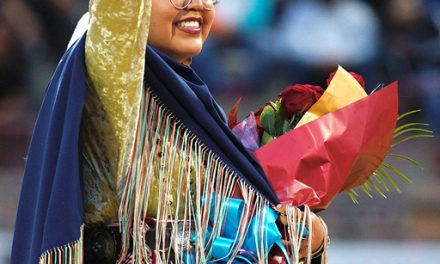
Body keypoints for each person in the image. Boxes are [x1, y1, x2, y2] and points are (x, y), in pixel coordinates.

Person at [11, 0, 328, 263]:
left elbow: (226, 235)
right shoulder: (114, 85)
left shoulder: (202, 111)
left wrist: (303, 235)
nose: (198, 5)